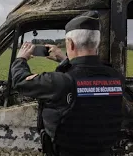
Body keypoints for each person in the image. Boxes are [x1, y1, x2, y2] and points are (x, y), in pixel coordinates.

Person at [11, 11, 125, 156]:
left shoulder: (61, 81)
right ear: (97, 43)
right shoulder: (115, 77)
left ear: (70, 44)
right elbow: (86, 77)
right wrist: (64, 59)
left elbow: (20, 81)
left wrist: (21, 59)